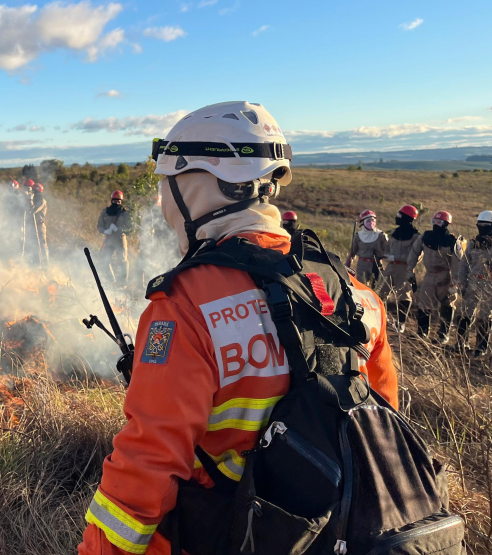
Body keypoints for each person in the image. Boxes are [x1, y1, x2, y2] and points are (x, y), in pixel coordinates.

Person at [79, 101, 396, 555]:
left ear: (200, 186)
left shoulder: (184, 306)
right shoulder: (356, 294)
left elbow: (146, 466)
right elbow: (378, 428)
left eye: (168, 184)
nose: (162, 200)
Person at [407, 210, 464, 344]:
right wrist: (410, 270)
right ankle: (422, 333)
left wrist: (455, 284)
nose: (436, 224)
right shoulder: (425, 237)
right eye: (434, 221)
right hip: (429, 276)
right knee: (424, 305)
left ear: (446, 224)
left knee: (447, 304)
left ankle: (443, 335)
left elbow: (457, 263)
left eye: (439, 222)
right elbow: (414, 253)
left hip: (445, 277)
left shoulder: (452, 242)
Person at [456, 210, 492, 356]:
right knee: (465, 313)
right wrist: (461, 283)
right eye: (480, 225)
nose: (482, 228)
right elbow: (464, 265)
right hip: (473, 282)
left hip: (489, 285)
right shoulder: (473, 244)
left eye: (486, 225)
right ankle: (460, 343)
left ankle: (481, 347)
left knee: (485, 316)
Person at [379, 205, 421, 331]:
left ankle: (401, 323)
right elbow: (387, 248)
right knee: (381, 293)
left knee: (404, 295)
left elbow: (416, 256)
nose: (397, 218)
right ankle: (383, 319)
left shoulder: (416, 236)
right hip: (390, 267)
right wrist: (385, 255)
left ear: (407, 218)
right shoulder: (394, 233)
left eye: (400, 216)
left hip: (405, 269)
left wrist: (396, 257)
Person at [346, 210, 387, 288]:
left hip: (377, 264)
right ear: (363, 222)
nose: (371, 222)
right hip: (362, 265)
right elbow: (352, 253)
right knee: (361, 287)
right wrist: (347, 264)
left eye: (373, 220)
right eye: (368, 220)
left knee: (376, 287)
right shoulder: (358, 236)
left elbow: (387, 251)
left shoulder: (381, 235)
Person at [97, 190, 131, 284]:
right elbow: (99, 226)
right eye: (115, 200)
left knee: (123, 261)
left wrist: (119, 229)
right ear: (111, 200)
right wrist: (105, 230)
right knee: (104, 261)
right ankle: (111, 281)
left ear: (121, 201)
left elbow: (130, 228)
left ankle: (122, 284)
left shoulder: (125, 213)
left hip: (120, 240)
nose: (116, 202)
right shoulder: (105, 212)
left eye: (118, 201)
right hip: (109, 240)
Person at [29, 182, 48, 265]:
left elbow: (34, 211)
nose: (34, 194)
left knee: (42, 245)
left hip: (40, 226)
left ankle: (45, 264)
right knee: (34, 245)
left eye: (35, 192)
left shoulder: (41, 201)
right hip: (33, 226)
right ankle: (36, 263)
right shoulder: (37, 200)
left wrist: (30, 200)